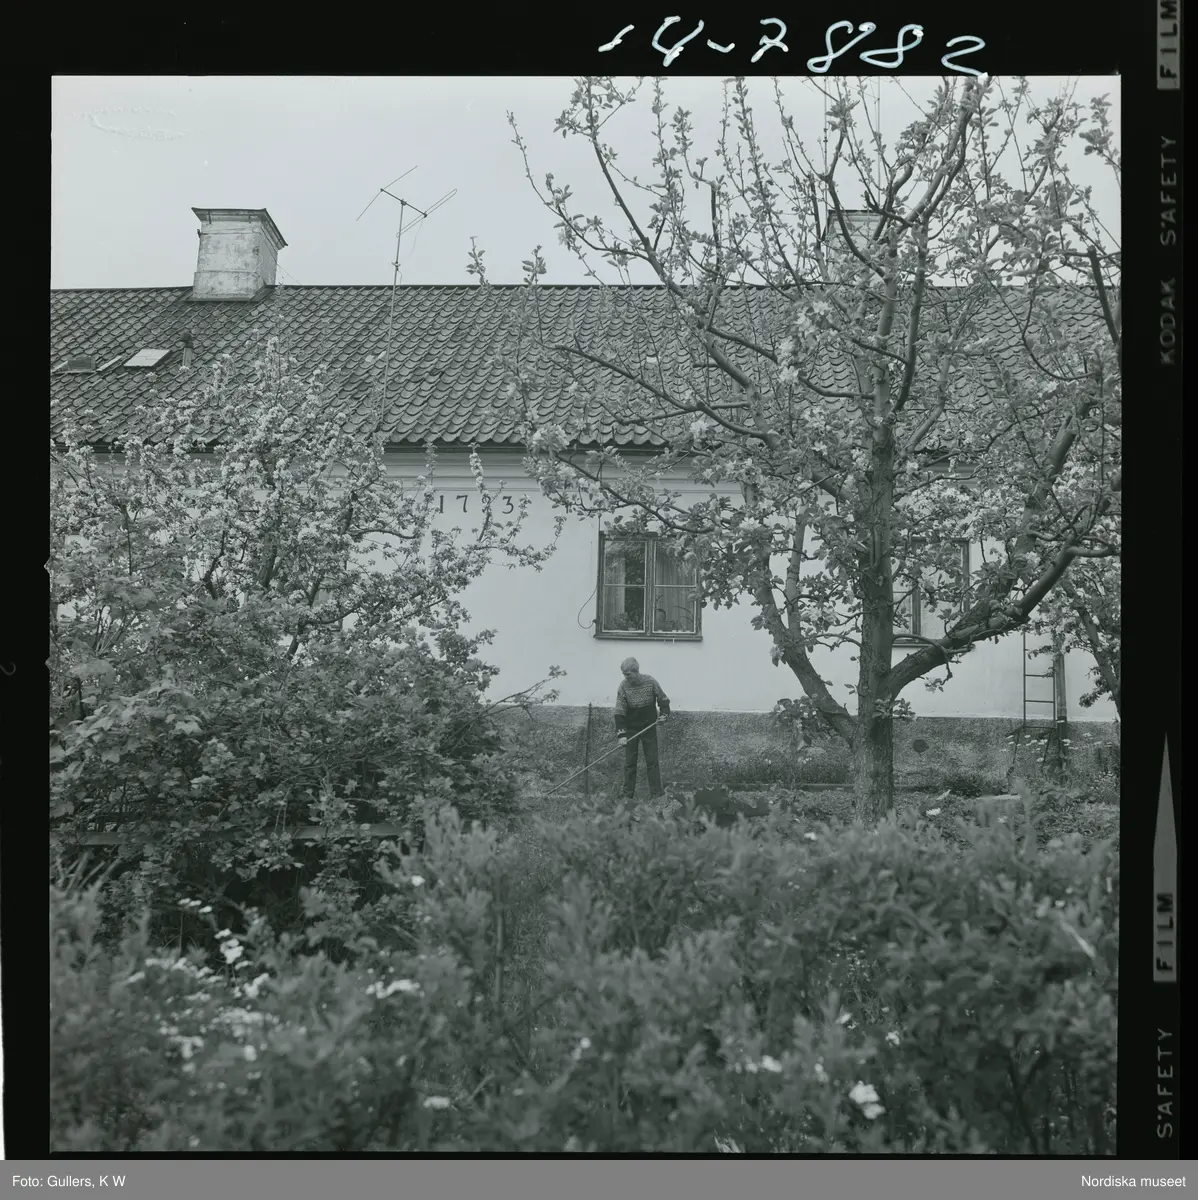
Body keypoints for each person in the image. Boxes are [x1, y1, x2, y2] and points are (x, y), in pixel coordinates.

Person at [614, 657, 671, 800]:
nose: (626, 677)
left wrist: (664, 715)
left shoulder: (650, 682)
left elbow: (663, 700)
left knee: (652, 761)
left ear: (636, 671)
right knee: (630, 763)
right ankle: (627, 797)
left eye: (628, 674)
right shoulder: (623, 686)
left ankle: (657, 796)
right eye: (624, 674)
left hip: (648, 728)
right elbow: (619, 712)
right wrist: (622, 735)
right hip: (631, 729)